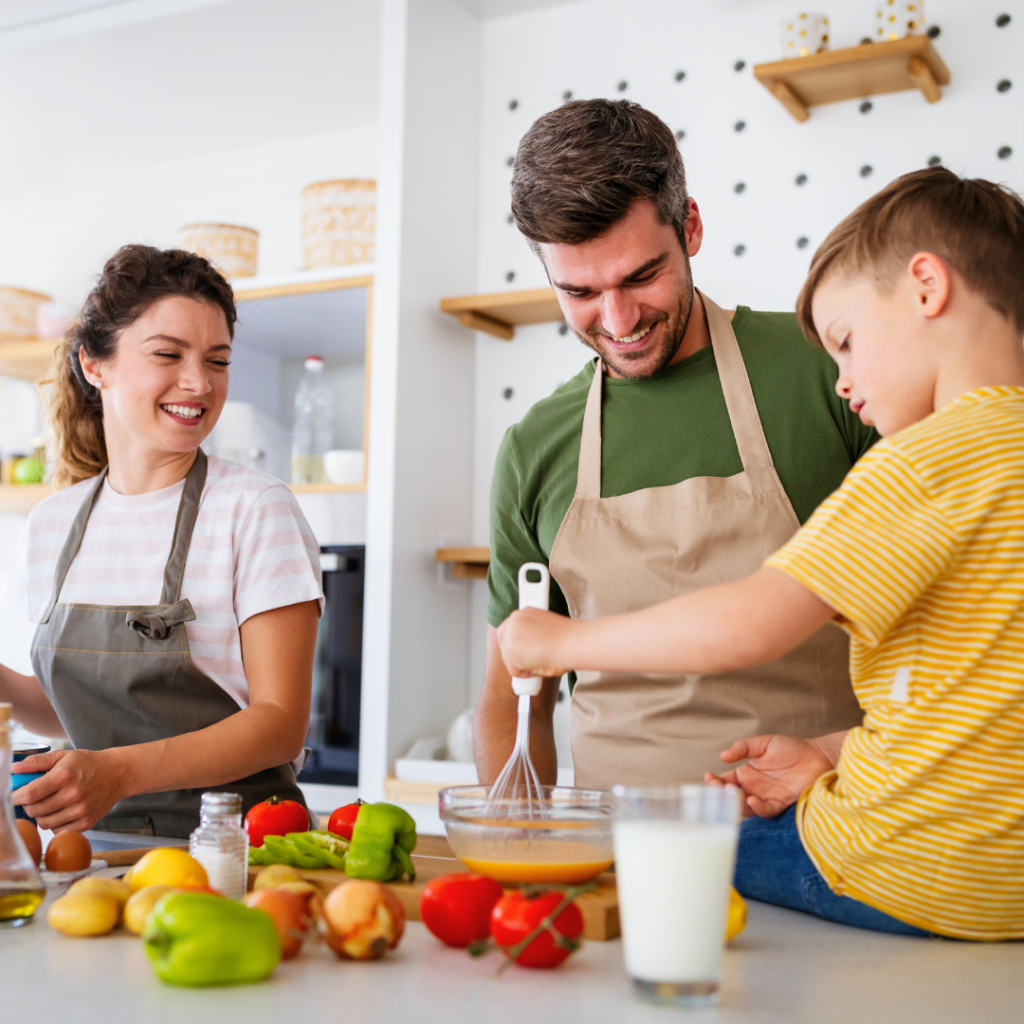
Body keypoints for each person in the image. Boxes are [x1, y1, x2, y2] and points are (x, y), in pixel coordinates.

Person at [497, 167, 1024, 941]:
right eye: (579, 291)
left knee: (677, 849)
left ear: (926, 287)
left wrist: (562, 644)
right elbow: (972, 701)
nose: (843, 382)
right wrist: (832, 754)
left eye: (847, 343)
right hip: (1007, 884)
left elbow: (747, 623)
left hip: (898, 865)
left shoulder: (915, 463)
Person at [476, 99, 875, 789]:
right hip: (612, 841)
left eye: (640, 277)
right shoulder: (533, 449)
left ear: (690, 226)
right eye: (579, 292)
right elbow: (515, 700)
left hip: (826, 829)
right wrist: (518, 835)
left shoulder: (831, 370)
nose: (618, 320)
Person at [1, 245, 323, 839]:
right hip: (98, 853)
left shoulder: (255, 509)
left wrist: (118, 774)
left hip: (236, 849)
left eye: (217, 360)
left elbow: (280, 724)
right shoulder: (51, 524)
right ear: (94, 365)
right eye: (168, 354)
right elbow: (71, 712)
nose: (199, 382)